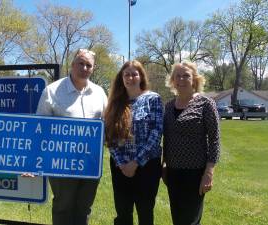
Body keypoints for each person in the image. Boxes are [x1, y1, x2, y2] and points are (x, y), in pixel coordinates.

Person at [34, 48, 107, 225]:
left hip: (90, 162)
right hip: (61, 163)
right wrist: (34, 160)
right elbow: (39, 128)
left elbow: (106, 125)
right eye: (80, 63)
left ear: (93, 69)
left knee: (84, 208)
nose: (84, 67)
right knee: (63, 207)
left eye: (88, 65)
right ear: (72, 65)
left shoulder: (99, 93)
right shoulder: (52, 91)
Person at [104, 60, 163, 225]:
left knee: (145, 212)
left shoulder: (153, 99)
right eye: (126, 74)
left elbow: (156, 133)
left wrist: (136, 162)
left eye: (134, 74)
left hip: (147, 166)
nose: (130, 77)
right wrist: (123, 163)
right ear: (122, 78)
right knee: (123, 213)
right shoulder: (115, 103)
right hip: (119, 167)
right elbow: (109, 136)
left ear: (141, 76)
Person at [162, 62, 220, 225]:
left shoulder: (206, 104)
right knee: (178, 219)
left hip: (195, 173)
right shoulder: (168, 106)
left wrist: (209, 173)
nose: (181, 79)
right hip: (173, 173)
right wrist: (164, 164)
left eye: (186, 75)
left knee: (191, 221)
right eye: (177, 76)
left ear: (194, 79)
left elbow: (215, 140)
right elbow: (167, 138)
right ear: (173, 80)